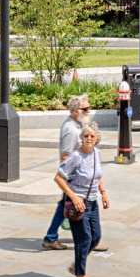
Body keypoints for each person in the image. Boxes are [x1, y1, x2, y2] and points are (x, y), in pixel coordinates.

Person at [55, 124, 109, 277]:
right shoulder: (76, 157)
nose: (89, 138)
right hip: (78, 204)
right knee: (84, 238)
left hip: (92, 202)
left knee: (96, 237)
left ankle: (77, 265)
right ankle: (81, 276)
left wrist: (104, 192)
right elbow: (58, 178)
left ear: (97, 138)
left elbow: (98, 175)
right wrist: (73, 196)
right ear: (82, 138)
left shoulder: (96, 153)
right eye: (86, 135)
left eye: (92, 136)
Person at [41, 96, 93, 249]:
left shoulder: (78, 125)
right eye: (85, 109)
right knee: (78, 204)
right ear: (75, 111)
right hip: (73, 176)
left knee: (65, 205)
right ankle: (89, 236)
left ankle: (51, 236)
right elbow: (66, 155)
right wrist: (71, 178)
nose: (88, 111)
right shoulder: (71, 129)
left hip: (76, 174)